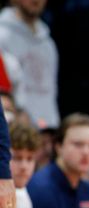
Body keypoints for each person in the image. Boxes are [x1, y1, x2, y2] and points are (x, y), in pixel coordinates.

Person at [0, 0, 59, 129]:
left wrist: (53, 121)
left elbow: (51, 90)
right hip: (14, 126)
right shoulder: (2, 35)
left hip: (48, 127)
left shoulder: (48, 43)